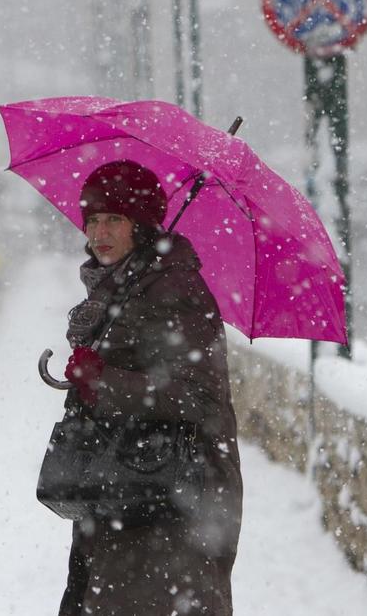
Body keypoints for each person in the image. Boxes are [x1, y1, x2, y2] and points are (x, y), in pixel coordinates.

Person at [57, 160, 243, 615]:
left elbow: (199, 397)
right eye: (93, 219)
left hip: (168, 506)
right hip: (124, 490)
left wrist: (104, 380)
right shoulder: (124, 284)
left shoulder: (172, 287)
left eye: (114, 219)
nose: (100, 231)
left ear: (139, 227)